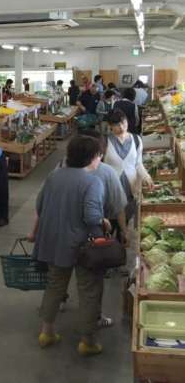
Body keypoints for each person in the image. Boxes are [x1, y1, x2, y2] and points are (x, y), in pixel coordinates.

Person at [28, 135, 108, 356]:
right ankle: (88, 341)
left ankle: (47, 332)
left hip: (54, 241)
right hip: (82, 246)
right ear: (92, 158)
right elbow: (92, 216)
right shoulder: (93, 182)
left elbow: (39, 204)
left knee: (55, 285)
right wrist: (102, 224)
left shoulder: (54, 176)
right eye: (98, 156)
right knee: (89, 290)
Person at [57, 130, 128, 329]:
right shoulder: (104, 174)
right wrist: (121, 230)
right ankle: (90, 331)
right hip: (90, 241)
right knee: (90, 285)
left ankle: (51, 319)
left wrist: (38, 231)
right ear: (96, 153)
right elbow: (116, 207)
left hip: (62, 235)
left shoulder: (60, 169)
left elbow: (43, 206)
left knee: (59, 276)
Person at [104, 109, 153, 226]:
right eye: (116, 125)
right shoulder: (105, 142)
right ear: (109, 126)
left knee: (127, 218)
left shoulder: (136, 140)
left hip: (131, 188)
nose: (121, 127)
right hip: (112, 188)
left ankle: (123, 237)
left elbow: (138, 163)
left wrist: (147, 177)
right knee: (112, 221)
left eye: (123, 122)